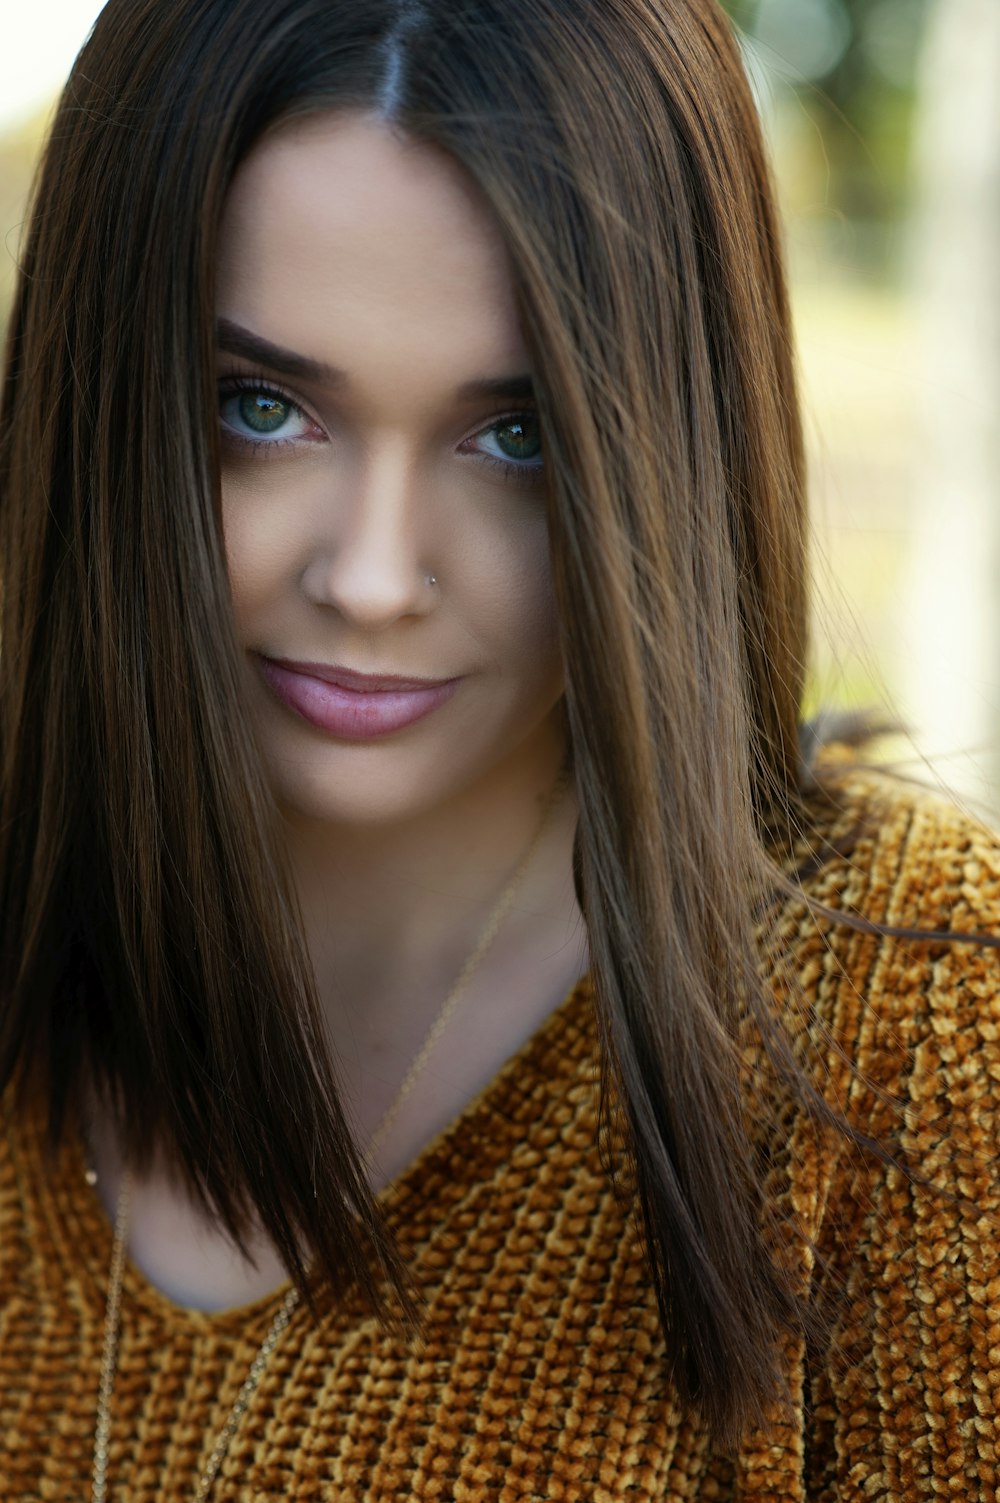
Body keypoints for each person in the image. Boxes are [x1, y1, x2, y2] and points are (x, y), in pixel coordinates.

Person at [0, 0, 997, 1498]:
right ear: (102, 397)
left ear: (664, 445)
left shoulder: (918, 1027)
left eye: (516, 436)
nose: (377, 576)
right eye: (260, 409)